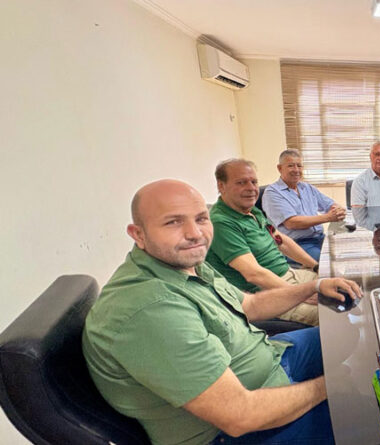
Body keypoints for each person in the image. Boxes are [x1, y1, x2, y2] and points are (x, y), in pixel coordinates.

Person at [82, 179, 362, 445]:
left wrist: (313, 286)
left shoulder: (186, 264)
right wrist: (329, 385)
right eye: (173, 222)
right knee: (362, 415)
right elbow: (240, 416)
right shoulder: (150, 309)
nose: (194, 233)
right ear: (138, 234)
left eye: (201, 219)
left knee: (344, 334)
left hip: (268, 360)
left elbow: (250, 305)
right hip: (234, 431)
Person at [207, 159, 320, 325]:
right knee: (337, 313)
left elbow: (281, 241)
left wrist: (316, 266)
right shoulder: (221, 222)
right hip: (267, 295)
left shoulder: (252, 211)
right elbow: (254, 274)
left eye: (253, 182)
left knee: (342, 285)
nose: (251, 188)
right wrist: (299, 293)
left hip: (290, 275)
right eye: (241, 182)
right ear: (221, 186)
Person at [263, 149, 346, 262]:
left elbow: (330, 204)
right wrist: (328, 217)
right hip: (296, 245)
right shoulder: (272, 193)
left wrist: (338, 210)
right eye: (291, 166)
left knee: (347, 252)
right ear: (280, 168)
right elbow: (292, 223)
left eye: (299, 166)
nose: (296, 170)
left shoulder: (307, 187)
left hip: (320, 238)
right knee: (329, 261)